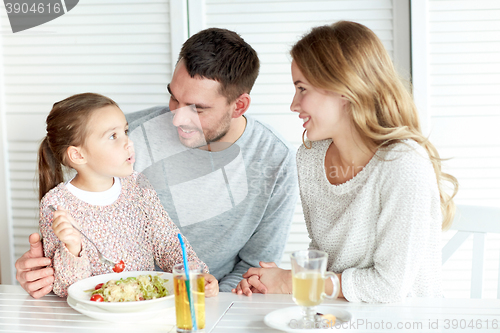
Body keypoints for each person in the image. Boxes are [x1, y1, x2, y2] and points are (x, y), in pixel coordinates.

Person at [16, 28, 299, 297]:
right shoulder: (129, 133)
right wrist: (42, 271)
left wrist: (202, 300)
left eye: (197, 108)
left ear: (239, 106)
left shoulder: (275, 161)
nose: (177, 118)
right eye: (174, 98)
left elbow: (254, 268)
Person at [233, 21, 459, 303]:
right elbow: (327, 260)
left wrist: (294, 282)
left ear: (343, 89)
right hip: (341, 315)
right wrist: (272, 281)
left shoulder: (403, 164)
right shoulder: (311, 156)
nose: (293, 104)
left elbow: (389, 287)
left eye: (302, 89)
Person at [36, 92, 218, 297]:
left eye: (125, 131)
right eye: (113, 136)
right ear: (78, 155)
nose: (128, 143)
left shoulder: (137, 185)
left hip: (145, 305)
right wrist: (73, 249)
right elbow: (64, 289)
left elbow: (166, 242)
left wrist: (193, 274)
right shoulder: (56, 204)